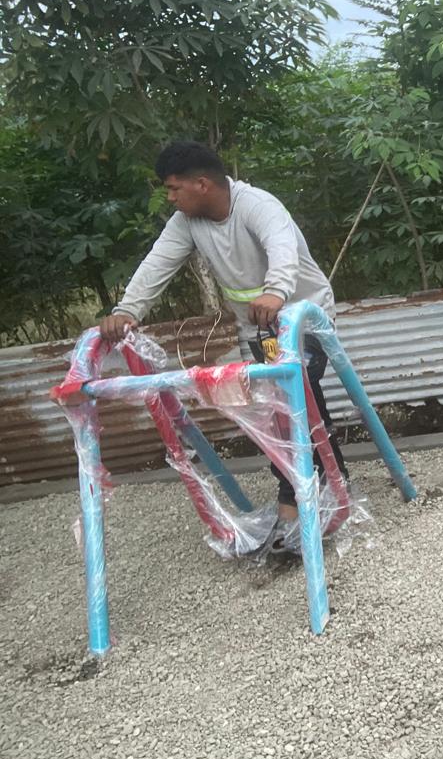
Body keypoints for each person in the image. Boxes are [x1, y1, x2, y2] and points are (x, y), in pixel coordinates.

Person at [99, 140, 348, 548]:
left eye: (174, 188)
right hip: (259, 329)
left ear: (201, 184)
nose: (170, 197)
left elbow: (281, 248)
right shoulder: (186, 222)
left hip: (302, 317)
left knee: (299, 402)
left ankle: (311, 494)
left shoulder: (257, 206)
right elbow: (157, 263)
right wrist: (127, 310)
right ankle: (311, 490)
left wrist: (276, 291)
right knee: (279, 409)